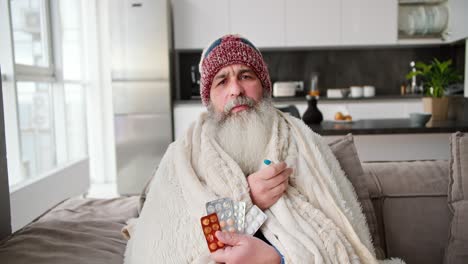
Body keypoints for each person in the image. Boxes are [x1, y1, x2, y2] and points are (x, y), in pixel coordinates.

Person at [123, 35, 403, 264]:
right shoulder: (182, 154)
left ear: (263, 87)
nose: (236, 90)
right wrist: (248, 199)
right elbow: (167, 242)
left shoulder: (304, 143)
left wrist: (278, 259)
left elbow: (339, 240)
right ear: (208, 98)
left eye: (246, 76)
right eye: (222, 81)